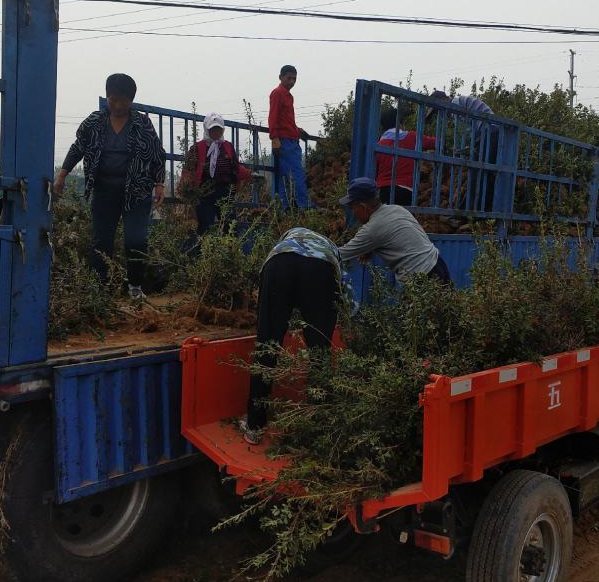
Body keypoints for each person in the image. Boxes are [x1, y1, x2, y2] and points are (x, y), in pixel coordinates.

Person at [53, 73, 166, 300]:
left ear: (131, 100)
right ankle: (100, 288)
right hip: (104, 190)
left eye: (122, 100)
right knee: (101, 240)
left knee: (136, 239)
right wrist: (62, 174)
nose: (116, 105)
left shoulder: (142, 123)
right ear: (107, 97)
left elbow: (157, 154)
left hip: (136, 191)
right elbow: (78, 147)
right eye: (112, 99)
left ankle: (135, 286)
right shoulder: (94, 122)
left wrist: (159, 183)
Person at [243, 227, 344, 443]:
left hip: (279, 266)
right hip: (320, 270)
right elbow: (341, 299)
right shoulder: (330, 251)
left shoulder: (283, 245)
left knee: (267, 345)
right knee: (319, 350)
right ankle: (318, 426)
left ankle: (254, 425)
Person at [338, 177, 451, 283]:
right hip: (438, 264)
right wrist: (368, 249)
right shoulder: (397, 209)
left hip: (422, 277)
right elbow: (396, 235)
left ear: (363, 207)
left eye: (352, 208)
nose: (353, 212)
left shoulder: (372, 229)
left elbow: (338, 255)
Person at [180, 113, 243, 236]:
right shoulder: (197, 148)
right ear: (206, 129)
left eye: (218, 128)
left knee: (230, 226)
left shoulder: (227, 146)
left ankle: (231, 252)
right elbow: (188, 170)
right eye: (213, 129)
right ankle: (203, 254)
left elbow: (235, 166)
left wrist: (248, 175)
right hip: (205, 192)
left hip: (225, 192)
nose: (216, 132)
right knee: (205, 227)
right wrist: (187, 190)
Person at [268, 64, 313, 209]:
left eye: (294, 79)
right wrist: (275, 139)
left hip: (290, 139)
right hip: (285, 141)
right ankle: (304, 207)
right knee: (296, 174)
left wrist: (298, 130)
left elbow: (286, 120)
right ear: (281, 77)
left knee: (284, 176)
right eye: (289, 78)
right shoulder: (277, 93)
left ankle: (284, 208)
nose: (292, 81)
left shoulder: (288, 96)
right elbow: (273, 118)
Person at [375, 106, 437, 206]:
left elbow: (375, 170)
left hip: (385, 190)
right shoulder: (412, 137)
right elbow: (436, 143)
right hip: (406, 189)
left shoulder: (379, 144)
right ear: (400, 123)